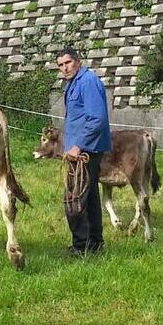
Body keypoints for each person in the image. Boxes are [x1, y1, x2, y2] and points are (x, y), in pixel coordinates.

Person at [56, 48, 112, 256]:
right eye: (61, 65)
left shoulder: (87, 82)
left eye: (68, 63)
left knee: (75, 198)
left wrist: (78, 145)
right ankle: (94, 243)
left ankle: (81, 246)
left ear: (78, 61)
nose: (65, 68)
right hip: (81, 150)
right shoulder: (75, 83)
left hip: (84, 151)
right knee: (90, 197)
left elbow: (97, 119)